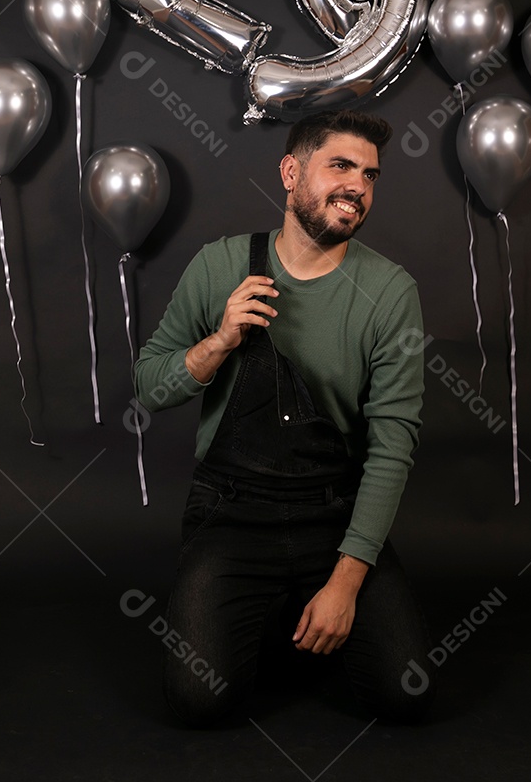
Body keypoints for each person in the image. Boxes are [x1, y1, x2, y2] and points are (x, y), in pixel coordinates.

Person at [134, 108, 434, 726]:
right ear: (291, 172)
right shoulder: (220, 266)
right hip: (233, 512)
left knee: (406, 693)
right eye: (341, 166)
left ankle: (311, 604)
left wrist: (347, 582)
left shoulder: (390, 290)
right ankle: (265, 614)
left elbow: (392, 446)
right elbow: (148, 388)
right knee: (197, 701)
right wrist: (217, 344)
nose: (358, 185)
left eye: (371, 175)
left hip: (335, 511)